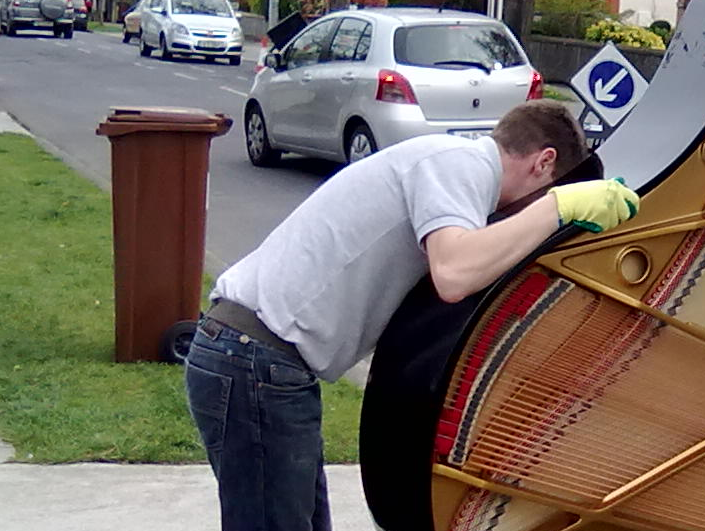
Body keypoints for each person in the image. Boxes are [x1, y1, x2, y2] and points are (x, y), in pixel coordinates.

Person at [184, 100, 639, 531]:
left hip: (260, 360)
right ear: (543, 163)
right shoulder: (457, 164)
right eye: (547, 189)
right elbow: (454, 272)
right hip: (253, 358)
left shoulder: (451, 167)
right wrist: (556, 209)